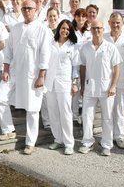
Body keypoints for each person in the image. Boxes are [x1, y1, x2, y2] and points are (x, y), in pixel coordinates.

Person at [0, 0, 52, 155]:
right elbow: (8, 51)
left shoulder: (42, 29)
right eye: (24, 8)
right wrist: (5, 69)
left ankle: (30, 142)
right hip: (14, 71)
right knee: (0, 98)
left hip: (32, 74)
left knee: (32, 109)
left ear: (35, 10)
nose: (27, 10)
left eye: (30, 8)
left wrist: (41, 75)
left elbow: (45, 54)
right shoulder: (16, 28)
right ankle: (8, 130)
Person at [78, 21, 121, 156]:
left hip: (106, 88)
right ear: (90, 30)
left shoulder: (111, 47)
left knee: (107, 117)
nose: (96, 30)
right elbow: (82, 67)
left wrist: (113, 86)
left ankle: (107, 145)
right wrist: (83, 86)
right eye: (94, 28)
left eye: (99, 28)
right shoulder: (85, 48)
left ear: (103, 30)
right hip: (90, 88)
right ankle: (87, 143)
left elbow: (116, 69)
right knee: (87, 115)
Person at [45, 19, 80, 155]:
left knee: (65, 113)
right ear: (59, 28)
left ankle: (69, 143)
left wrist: (74, 83)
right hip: (50, 82)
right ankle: (58, 139)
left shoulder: (72, 46)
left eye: (68, 29)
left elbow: (76, 67)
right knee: (53, 112)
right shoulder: (51, 44)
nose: (65, 31)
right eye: (63, 28)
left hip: (65, 82)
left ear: (70, 32)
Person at [103, 12, 124, 149]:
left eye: (118, 23)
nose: (115, 25)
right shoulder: (103, 38)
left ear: (122, 23)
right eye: (113, 22)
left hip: (122, 80)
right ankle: (107, 137)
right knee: (107, 110)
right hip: (105, 80)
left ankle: (119, 137)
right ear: (109, 23)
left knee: (120, 109)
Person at [71, 8, 91, 123]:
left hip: (87, 65)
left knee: (85, 91)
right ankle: (74, 116)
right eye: (79, 16)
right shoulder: (71, 31)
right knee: (75, 91)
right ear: (75, 17)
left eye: (83, 16)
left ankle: (84, 116)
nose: (81, 18)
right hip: (75, 65)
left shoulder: (89, 32)